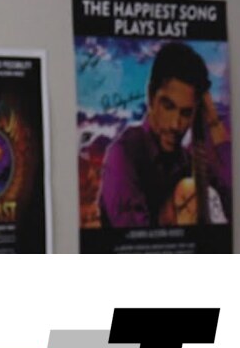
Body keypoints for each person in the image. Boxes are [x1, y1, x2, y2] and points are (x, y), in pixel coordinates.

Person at [97, 41, 231, 228]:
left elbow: (232, 202)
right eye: (168, 106)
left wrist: (213, 120)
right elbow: (134, 236)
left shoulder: (187, 160)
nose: (176, 124)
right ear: (151, 96)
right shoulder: (123, 154)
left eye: (186, 113)